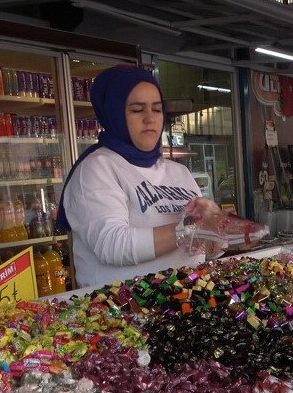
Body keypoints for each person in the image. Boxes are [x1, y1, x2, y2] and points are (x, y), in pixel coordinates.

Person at [56, 65, 209, 288]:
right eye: (137, 110)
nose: (150, 118)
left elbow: (203, 239)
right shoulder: (96, 169)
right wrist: (189, 229)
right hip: (124, 314)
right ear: (115, 114)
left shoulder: (179, 172)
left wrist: (219, 233)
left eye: (157, 109)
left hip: (187, 306)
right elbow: (113, 245)